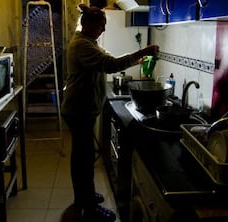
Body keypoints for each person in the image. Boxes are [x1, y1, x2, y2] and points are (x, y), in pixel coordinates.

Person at [61, 3, 160, 222]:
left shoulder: (88, 42)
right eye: (101, 25)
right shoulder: (82, 46)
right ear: (88, 24)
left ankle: (83, 197)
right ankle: (88, 208)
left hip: (81, 110)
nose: (104, 29)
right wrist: (142, 51)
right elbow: (110, 65)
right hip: (79, 111)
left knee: (83, 158)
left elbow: (109, 60)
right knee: (84, 160)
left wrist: (137, 58)